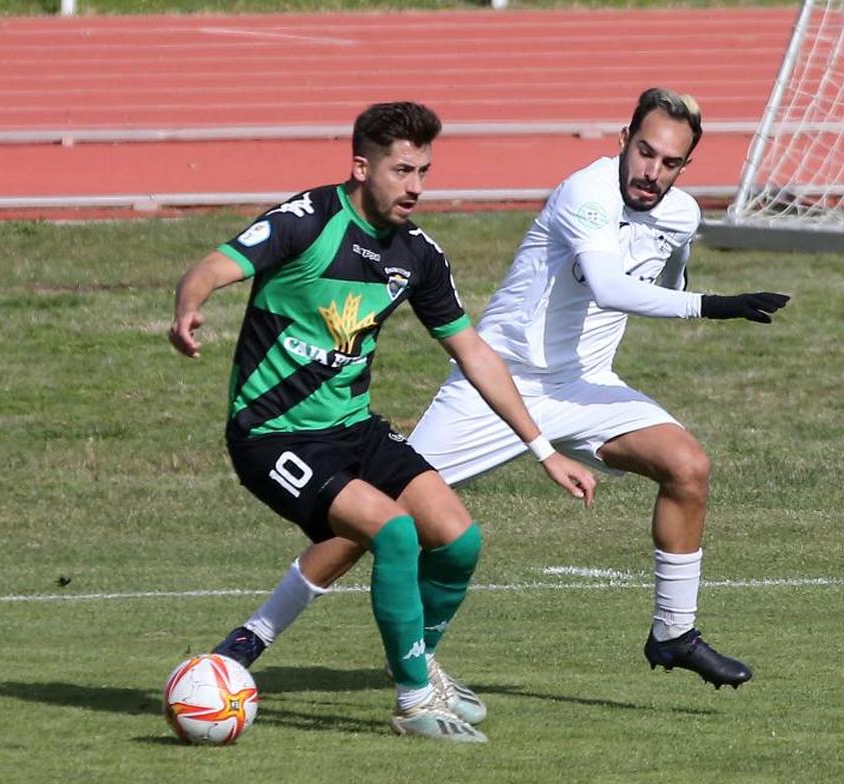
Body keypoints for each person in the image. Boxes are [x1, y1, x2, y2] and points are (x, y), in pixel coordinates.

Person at [210, 88, 791, 710]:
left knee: (688, 466)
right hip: (496, 386)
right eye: (645, 152)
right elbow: (608, 286)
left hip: (587, 385)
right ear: (624, 141)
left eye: (670, 163)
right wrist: (711, 307)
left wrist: (685, 287)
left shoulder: (682, 216)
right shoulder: (585, 192)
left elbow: (670, 272)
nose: (652, 171)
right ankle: (250, 640)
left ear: (684, 169)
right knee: (370, 519)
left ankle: (673, 633)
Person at [169, 101, 596, 743]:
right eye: (403, 170)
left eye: (424, 170)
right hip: (272, 434)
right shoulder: (306, 222)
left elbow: (474, 352)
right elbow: (210, 267)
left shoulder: (417, 255)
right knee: (394, 534)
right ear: (361, 166)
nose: (417, 186)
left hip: (353, 428)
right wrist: (188, 310)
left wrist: (544, 449)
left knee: (458, 539)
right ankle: (414, 700)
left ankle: (420, 665)